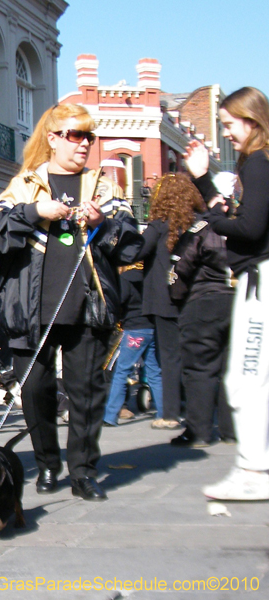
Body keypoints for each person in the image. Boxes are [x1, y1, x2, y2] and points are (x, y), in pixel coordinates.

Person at [0, 104, 143, 501]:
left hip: (87, 307)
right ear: (53, 138)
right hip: (31, 309)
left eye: (89, 136)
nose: (84, 144)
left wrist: (103, 223)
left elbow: (131, 241)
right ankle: (48, 463)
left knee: (85, 391)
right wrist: (35, 212)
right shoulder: (26, 184)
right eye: (75, 135)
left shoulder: (102, 186)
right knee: (35, 390)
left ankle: (83, 470)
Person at [185, 86, 269, 500]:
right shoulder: (257, 164)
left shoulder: (257, 163)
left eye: (229, 125)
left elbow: (250, 228)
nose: (227, 134)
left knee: (246, 377)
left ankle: (255, 469)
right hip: (256, 279)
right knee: (245, 377)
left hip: (260, 280)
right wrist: (205, 186)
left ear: (250, 121)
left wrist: (214, 221)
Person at [153, 173, 234, 448]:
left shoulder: (202, 228)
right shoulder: (244, 228)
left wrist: (176, 297)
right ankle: (231, 429)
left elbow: (180, 267)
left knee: (199, 369)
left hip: (202, 301)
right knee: (228, 369)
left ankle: (199, 430)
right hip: (237, 300)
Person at [133, 181, 185, 431]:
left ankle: (170, 413)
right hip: (188, 296)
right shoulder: (192, 223)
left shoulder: (158, 225)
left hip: (163, 297)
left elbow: (136, 252)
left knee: (168, 357)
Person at [102, 262, 164, 427]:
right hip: (151, 328)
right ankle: (163, 413)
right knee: (154, 372)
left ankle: (110, 415)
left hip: (134, 328)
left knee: (121, 371)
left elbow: (119, 301)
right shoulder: (151, 277)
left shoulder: (126, 278)